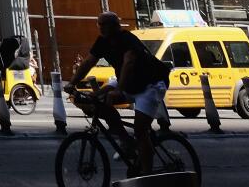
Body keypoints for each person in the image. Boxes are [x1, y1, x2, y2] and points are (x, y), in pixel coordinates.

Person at [66, 12, 171, 179]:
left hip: (150, 83)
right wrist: (72, 83)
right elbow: (88, 62)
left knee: (140, 130)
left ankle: (147, 176)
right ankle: (126, 141)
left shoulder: (127, 39)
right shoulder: (102, 41)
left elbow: (129, 63)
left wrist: (119, 90)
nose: (101, 28)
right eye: (99, 24)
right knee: (96, 101)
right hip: (127, 82)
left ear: (116, 25)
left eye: (105, 24)